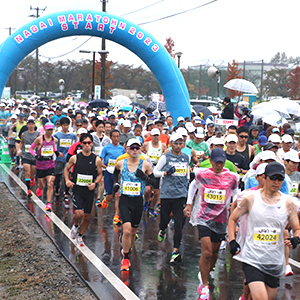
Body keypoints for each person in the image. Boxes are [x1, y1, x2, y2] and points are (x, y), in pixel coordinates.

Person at [228, 162, 300, 300]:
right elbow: (232, 219)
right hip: (252, 258)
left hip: (274, 260)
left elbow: (297, 228)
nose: (276, 182)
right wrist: (232, 241)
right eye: (273, 178)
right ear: (264, 178)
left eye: (280, 179)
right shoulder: (250, 199)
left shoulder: (288, 203)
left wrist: (296, 239)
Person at [184, 148, 239, 299]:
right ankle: (205, 286)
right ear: (211, 160)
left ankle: (205, 273)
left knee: (215, 253)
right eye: (216, 162)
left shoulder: (232, 177)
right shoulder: (202, 174)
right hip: (204, 217)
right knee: (207, 251)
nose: (219, 165)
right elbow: (193, 186)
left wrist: (233, 207)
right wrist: (189, 204)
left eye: (221, 162)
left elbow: (235, 193)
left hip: (221, 219)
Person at [113, 138, 153, 270]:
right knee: (127, 230)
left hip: (137, 201)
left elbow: (154, 182)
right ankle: (125, 257)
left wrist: (145, 178)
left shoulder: (145, 165)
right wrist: (115, 184)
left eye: (137, 147)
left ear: (141, 149)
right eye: (132, 148)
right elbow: (115, 174)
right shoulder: (121, 163)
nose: (135, 150)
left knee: (133, 232)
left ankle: (127, 249)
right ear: (127, 149)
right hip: (125, 200)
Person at [154, 133, 190, 263]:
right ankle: (163, 229)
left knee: (179, 224)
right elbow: (154, 172)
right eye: (176, 143)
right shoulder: (165, 157)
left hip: (180, 194)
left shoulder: (186, 157)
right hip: (167, 194)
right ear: (171, 144)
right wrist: (165, 173)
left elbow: (187, 173)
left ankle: (175, 250)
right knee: (164, 219)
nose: (178, 145)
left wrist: (188, 188)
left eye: (181, 143)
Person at [66, 133, 102, 247]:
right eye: (85, 143)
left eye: (89, 143)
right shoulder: (75, 158)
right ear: (81, 144)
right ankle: (75, 225)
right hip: (77, 190)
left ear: (92, 144)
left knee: (87, 216)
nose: (87, 145)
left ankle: (80, 235)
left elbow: (100, 174)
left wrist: (95, 183)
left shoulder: (96, 159)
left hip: (89, 191)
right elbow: (66, 170)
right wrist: (67, 181)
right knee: (78, 213)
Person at [29, 122, 63, 212]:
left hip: (50, 164)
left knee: (50, 183)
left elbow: (53, 148)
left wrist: (57, 153)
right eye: (48, 130)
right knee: (42, 185)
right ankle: (40, 187)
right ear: (45, 129)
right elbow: (31, 148)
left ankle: (48, 204)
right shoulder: (40, 139)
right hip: (40, 165)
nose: (50, 131)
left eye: (51, 130)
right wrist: (36, 155)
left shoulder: (54, 139)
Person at [141, 128, 167, 217]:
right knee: (147, 190)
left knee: (156, 192)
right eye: (154, 135)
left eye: (157, 135)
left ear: (160, 136)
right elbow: (141, 154)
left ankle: (152, 208)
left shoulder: (163, 146)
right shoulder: (146, 144)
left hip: (158, 171)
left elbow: (166, 156)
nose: (156, 137)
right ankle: (147, 201)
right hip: (149, 171)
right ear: (151, 136)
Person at [53, 117, 77, 207]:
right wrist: (56, 153)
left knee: (66, 176)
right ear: (61, 126)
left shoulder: (72, 135)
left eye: (67, 125)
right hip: (59, 159)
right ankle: (57, 190)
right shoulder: (57, 135)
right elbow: (53, 144)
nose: (65, 127)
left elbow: (76, 144)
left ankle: (66, 193)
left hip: (69, 159)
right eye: (64, 125)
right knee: (58, 175)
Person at [18, 117, 40, 197]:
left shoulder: (38, 134)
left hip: (34, 156)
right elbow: (21, 142)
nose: (31, 126)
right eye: (29, 124)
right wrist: (19, 150)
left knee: (32, 173)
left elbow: (40, 144)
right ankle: (29, 190)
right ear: (27, 125)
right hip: (25, 155)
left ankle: (32, 178)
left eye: (32, 124)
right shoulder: (24, 134)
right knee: (28, 171)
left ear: (34, 125)